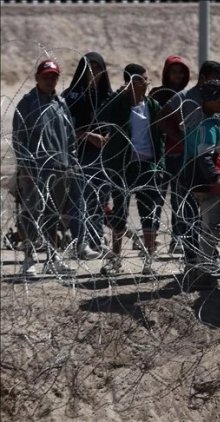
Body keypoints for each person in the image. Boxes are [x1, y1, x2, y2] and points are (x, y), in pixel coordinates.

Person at [98, 64, 164, 275]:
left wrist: (159, 165)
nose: (146, 83)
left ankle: (148, 260)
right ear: (132, 82)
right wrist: (121, 94)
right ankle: (116, 258)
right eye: (143, 79)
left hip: (147, 164)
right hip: (123, 165)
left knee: (149, 212)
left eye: (146, 79)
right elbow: (103, 116)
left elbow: (160, 136)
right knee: (120, 211)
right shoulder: (119, 105)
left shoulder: (152, 105)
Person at [12, 59, 77, 275]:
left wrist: (71, 162)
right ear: (37, 78)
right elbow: (19, 137)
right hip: (34, 170)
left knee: (53, 215)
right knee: (31, 213)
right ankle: (29, 259)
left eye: (54, 77)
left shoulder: (60, 103)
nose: (50, 80)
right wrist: (25, 165)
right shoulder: (27, 103)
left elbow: (70, 137)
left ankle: (52, 256)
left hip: (60, 168)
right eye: (46, 76)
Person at [158, 60, 220, 264]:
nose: (218, 83)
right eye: (214, 78)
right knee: (187, 212)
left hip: (209, 160)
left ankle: (206, 256)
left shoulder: (216, 98)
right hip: (185, 161)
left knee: (209, 215)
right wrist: (181, 140)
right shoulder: (185, 97)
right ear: (203, 77)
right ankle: (192, 257)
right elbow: (161, 118)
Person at [61, 51, 114, 260]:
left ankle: (96, 241)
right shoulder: (71, 96)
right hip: (79, 155)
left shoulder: (108, 97)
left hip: (103, 156)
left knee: (99, 200)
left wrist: (108, 136)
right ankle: (80, 242)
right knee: (79, 200)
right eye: (89, 67)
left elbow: (117, 124)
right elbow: (64, 129)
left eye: (98, 68)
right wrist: (86, 135)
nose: (93, 72)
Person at [180, 80, 220, 290]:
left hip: (192, 180)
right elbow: (204, 155)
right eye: (218, 99)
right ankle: (205, 273)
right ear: (208, 101)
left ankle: (200, 269)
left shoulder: (196, 118)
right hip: (206, 184)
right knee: (212, 228)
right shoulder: (208, 124)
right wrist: (216, 179)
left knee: (203, 227)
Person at [149, 54, 191, 254]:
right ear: (167, 73)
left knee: (179, 200)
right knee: (156, 199)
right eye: (174, 72)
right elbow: (155, 123)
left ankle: (178, 239)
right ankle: (151, 239)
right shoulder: (158, 94)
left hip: (181, 155)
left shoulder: (188, 95)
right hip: (162, 155)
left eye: (181, 72)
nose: (178, 76)